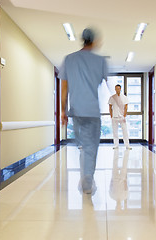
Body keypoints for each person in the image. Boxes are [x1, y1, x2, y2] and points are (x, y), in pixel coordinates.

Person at [60, 28, 108, 194]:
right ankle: (88, 176)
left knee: (83, 146)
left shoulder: (69, 59)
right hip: (92, 111)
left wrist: (63, 111)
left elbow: (64, 88)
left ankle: (85, 176)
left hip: (77, 111)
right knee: (91, 147)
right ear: (94, 41)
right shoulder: (100, 61)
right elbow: (104, 83)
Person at [108, 84, 131, 149]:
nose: (117, 90)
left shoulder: (124, 97)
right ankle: (116, 145)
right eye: (116, 89)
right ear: (115, 89)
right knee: (115, 131)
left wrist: (124, 116)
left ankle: (127, 145)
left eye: (118, 88)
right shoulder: (112, 97)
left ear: (120, 89)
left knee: (125, 131)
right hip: (114, 117)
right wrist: (111, 116)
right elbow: (110, 107)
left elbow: (126, 107)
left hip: (121, 117)